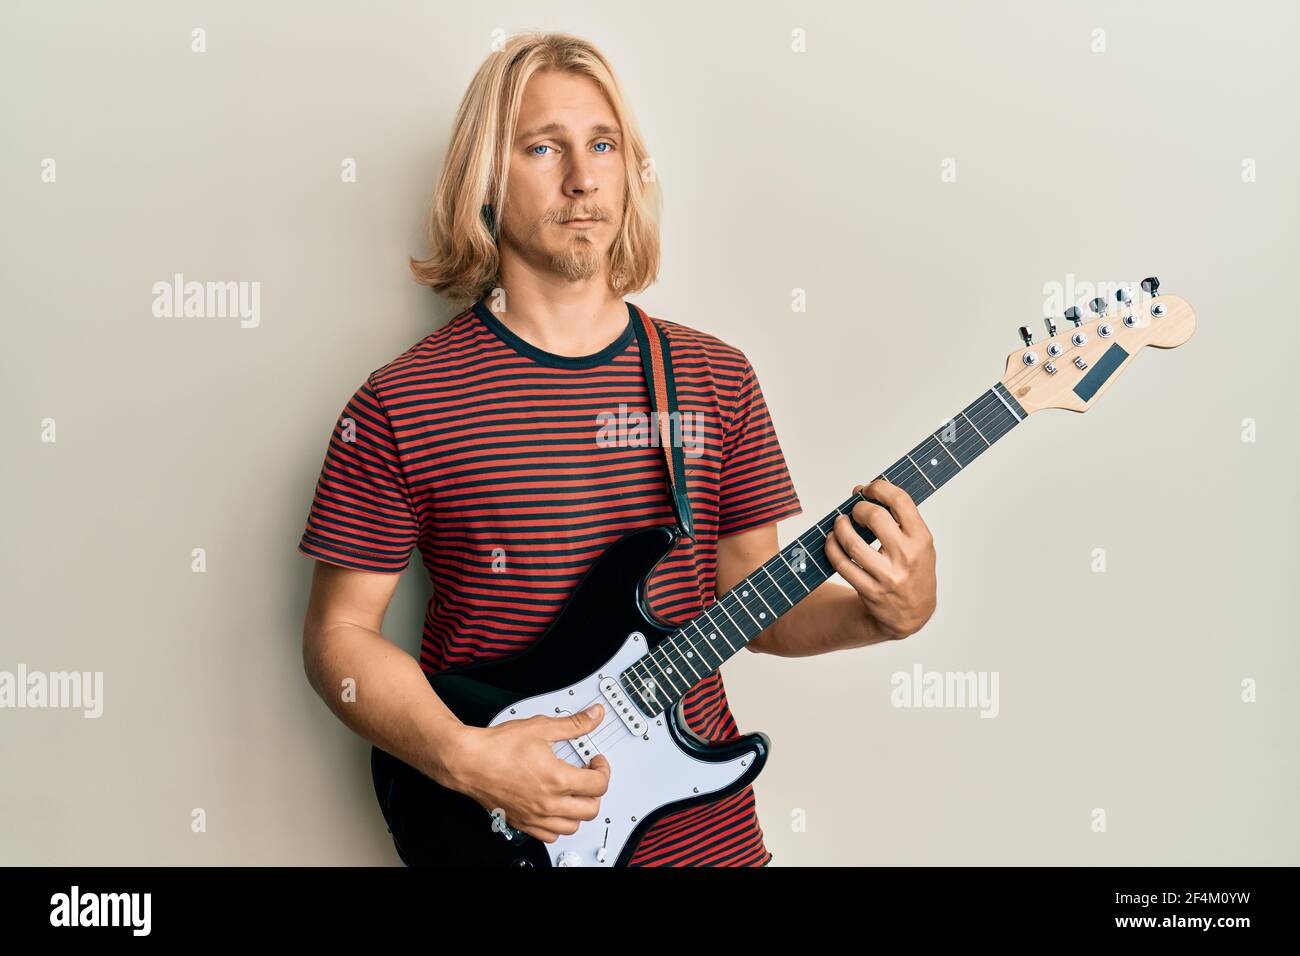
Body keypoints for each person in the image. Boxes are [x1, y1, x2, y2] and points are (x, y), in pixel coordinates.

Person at [297, 31, 937, 866]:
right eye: (543, 147)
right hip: (511, 837)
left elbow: (751, 606)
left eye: (603, 145)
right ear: (486, 180)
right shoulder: (403, 401)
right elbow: (338, 636)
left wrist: (884, 616)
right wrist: (467, 759)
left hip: (708, 844)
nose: (583, 176)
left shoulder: (714, 377)